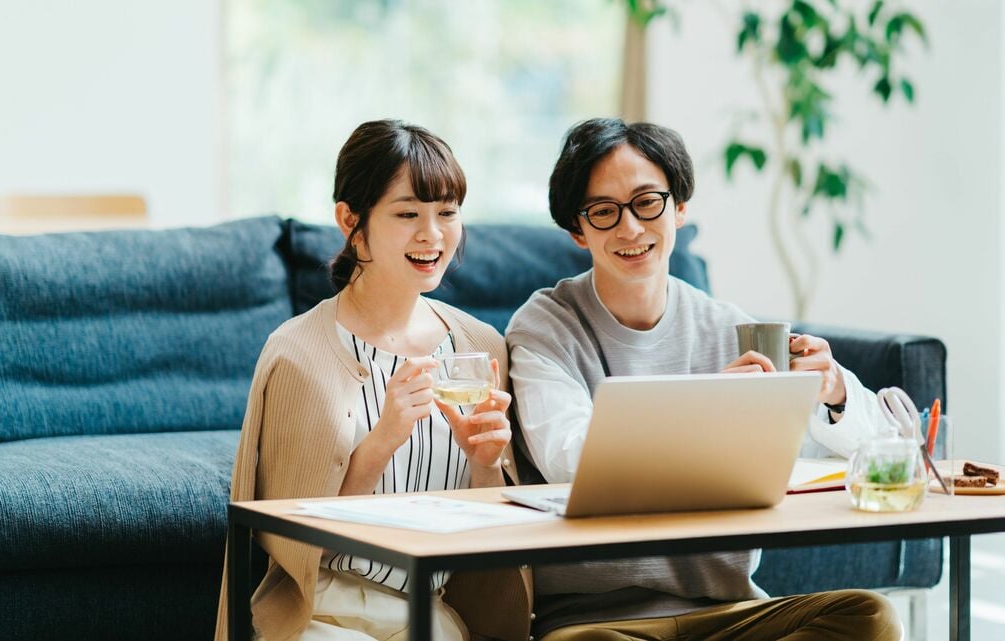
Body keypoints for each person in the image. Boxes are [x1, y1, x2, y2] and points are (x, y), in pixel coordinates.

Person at [505, 118, 901, 641]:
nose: (630, 229)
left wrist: (834, 392)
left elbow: (885, 456)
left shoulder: (729, 327)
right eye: (604, 212)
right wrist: (714, 407)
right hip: (595, 620)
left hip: (727, 610)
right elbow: (570, 459)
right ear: (579, 231)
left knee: (869, 616)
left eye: (648, 202)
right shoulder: (544, 326)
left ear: (680, 208)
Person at [215, 120, 530, 641]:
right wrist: (382, 440)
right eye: (407, 214)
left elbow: (490, 547)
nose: (432, 234)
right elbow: (293, 542)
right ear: (350, 219)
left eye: (447, 213)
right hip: (320, 611)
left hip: (431, 613)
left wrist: (486, 466)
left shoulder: (480, 346)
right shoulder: (298, 354)